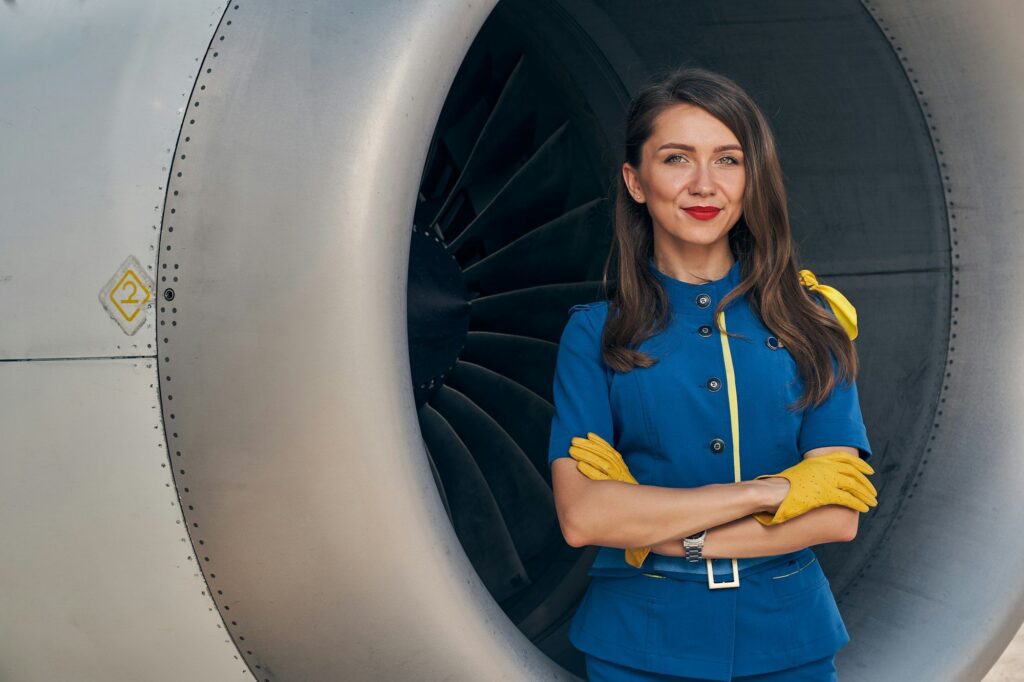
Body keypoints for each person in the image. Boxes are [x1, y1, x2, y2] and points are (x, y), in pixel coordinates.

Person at [546, 66, 880, 681]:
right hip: (638, 647)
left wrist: (654, 524)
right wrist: (769, 491)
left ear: (752, 179)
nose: (705, 185)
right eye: (677, 158)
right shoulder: (594, 334)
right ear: (636, 181)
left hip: (788, 645)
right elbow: (585, 518)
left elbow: (837, 514)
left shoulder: (814, 322)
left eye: (728, 160)